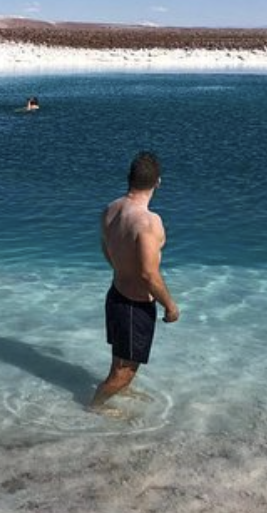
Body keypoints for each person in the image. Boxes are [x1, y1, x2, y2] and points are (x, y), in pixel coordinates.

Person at [90, 151, 180, 411]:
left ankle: (116, 390)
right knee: (124, 372)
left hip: (117, 294)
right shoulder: (148, 222)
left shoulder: (111, 209)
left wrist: (121, 271)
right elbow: (148, 275)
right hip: (133, 305)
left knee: (120, 361)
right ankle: (95, 406)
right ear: (158, 182)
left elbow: (106, 247)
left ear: (129, 178)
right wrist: (170, 306)